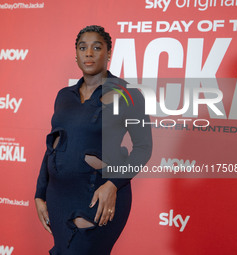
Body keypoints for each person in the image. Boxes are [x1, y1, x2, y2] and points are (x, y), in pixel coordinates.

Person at [35, 25, 152, 255]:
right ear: (76, 54)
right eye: (82, 48)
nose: (88, 53)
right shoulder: (64, 96)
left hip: (98, 194)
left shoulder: (128, 94)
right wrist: (40, 193)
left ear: (109, 53)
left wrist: (112, 185)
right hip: (59, 196)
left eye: (96, 47)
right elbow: (52, 146)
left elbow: (143, 148)